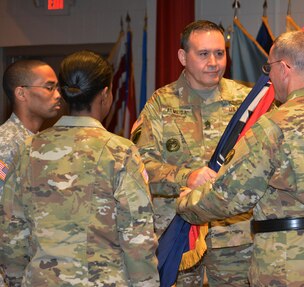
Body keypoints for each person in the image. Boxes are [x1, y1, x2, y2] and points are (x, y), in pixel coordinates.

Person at [177, 31, 304, 286]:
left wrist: (186, 203)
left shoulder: (273, 127)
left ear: (284, 68)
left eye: (269, 67)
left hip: (287, 267)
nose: (269, 75)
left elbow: (230, 197)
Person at [0, 50, 159, 286]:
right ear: (105, 94)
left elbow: (12, 231)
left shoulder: (28, 149)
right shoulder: (119, 151)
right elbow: (137, 236)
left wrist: (16, 281)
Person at [131, 20, 253, 286]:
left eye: (220, 53)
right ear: (183, 57)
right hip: (179, 231)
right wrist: (186, 177)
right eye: (204, 54)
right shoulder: (161, 105)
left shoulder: (246, 103)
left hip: (233, 234)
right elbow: (140, 167)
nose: (214, 62)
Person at [0, 59, 62, 197]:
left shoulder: (41, 141)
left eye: (58, 88)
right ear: (21, 93)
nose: (58, 95)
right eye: (49, 87)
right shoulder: (5, 144)